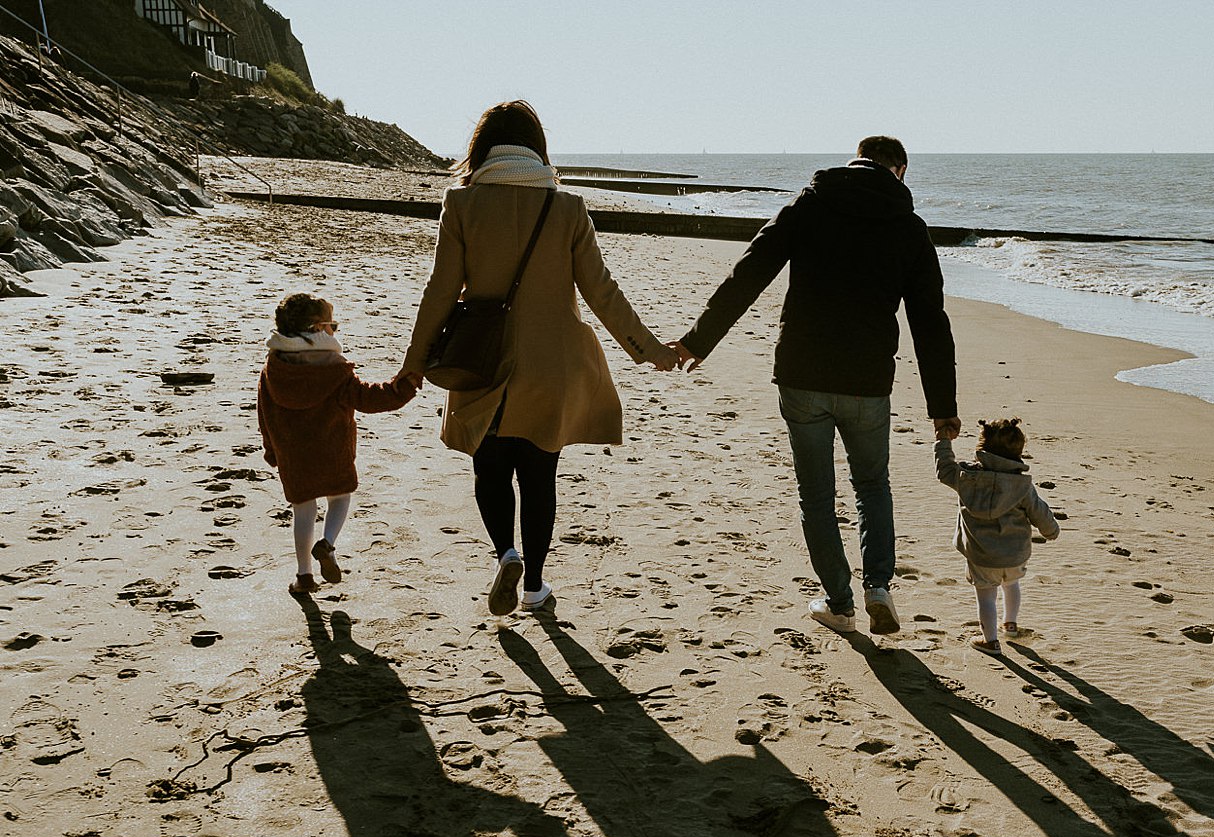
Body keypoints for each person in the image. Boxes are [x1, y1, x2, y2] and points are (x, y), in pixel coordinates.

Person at [671, 135, 959, 637]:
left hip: (803, 376)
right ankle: (879, 588)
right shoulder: (908, 227)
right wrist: (942, 407)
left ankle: (840, 604)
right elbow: (930, 321)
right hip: (867, 382)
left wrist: (699, 341)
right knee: (872, 487)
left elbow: (751, 271)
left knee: (817, 496)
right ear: (901, 170)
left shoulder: (811, 205)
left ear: (856, 160)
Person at [399, 100, 678, 617]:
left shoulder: (461, 204)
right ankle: (535, 586)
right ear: (537, 148)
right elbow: (602, 291)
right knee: (539, 476)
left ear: (481, 147)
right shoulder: (567, 208)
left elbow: (440, 290)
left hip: (480, 360)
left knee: (490, 470)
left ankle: (505, 553)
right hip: (553, 369)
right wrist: (650, 350)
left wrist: (413, 363)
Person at [258, 293, 418, 595]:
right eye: (334, 325)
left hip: (293, 453)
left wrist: (271, 448)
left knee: (302, 511)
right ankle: (328, 544)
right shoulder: (335, 369)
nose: (335, 331)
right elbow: (369, 398)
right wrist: (404, 389)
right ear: (319, 328)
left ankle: (304, 575)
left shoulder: (274, 368)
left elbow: (263, 410)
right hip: (333, 450)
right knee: (340, 497)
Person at [934, 417, 1060, 655]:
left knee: (986, 597)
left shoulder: (966, 478)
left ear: (981, 448)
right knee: (1011, 584)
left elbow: (944, 470)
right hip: (1015, 555)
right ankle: (1010, 624)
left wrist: (943, 440)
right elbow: (1039, 512)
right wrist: (1051, 530)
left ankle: (990, 640)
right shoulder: (1021, 486)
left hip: (981, 556)